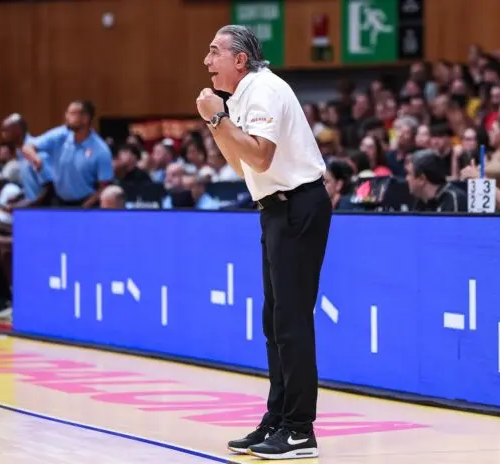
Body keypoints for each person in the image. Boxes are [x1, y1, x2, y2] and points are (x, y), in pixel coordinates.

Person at [196, 25, 331, 460]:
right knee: (274, 322)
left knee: (291, 321)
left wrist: (217, 119)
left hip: (297, 205)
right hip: (276, 209)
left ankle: (299, 430)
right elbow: (242, 166)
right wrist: (217, 121)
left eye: (214, 52)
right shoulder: (243, 95)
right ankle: (278, 418)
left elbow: (259, 155)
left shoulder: (264, 89)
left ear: (240, 60)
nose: (207, 61)